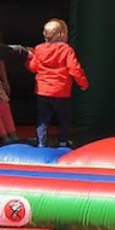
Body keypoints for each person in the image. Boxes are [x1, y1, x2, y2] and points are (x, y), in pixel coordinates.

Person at [26, 18, 89, 148]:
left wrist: (28, 59)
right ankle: (63, 141)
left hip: (43, 91)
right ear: (61, 34)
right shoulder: (66, 50)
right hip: (61, 92)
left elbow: (33, 67)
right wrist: (83, 83)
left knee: (43, 118)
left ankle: (41, 142)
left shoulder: (39, 49)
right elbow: (74, 68)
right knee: (64, 118)